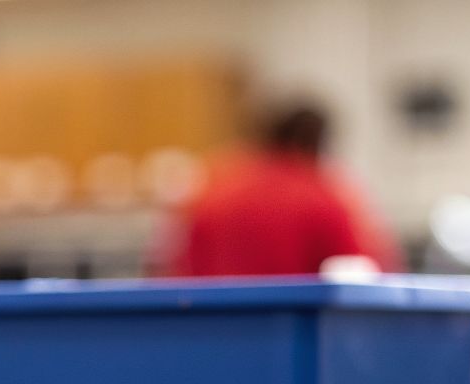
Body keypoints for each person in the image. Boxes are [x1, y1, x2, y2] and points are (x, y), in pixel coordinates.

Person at [159, 102, 402, 278]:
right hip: (293, 337)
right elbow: (362, 273)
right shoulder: (320, 194)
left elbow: (179, 268)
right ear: (310, 145)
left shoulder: (215, 187)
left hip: (213, 333)